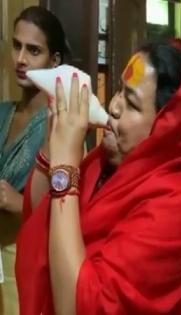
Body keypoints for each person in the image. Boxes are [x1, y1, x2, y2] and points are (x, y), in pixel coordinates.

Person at [15, 39, 181, 315]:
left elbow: (82, 306)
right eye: (118, 90)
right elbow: (40, 216)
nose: (114, 106)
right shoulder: (103, 164)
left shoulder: (172, 206)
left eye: (131, 102)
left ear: (165, 129)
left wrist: (66, 167)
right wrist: (52, 141)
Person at [0, 6, 69, 315]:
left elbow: (69, 210)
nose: (21, 59)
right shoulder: (2, 113)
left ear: (54, 61)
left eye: (34, 50)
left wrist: (20, 202)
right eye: (17, 46)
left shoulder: (63, 127)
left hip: (26, 263)